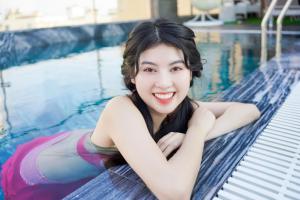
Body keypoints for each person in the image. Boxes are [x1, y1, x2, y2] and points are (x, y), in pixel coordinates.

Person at [1, 19, 261, 200]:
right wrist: (196, 128)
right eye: (149, 69)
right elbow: (175, 193)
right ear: (133, 76)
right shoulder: (120, 110)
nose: (164, 83)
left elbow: (247, 110)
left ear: (190, 71)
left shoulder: (181, 106)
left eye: (175, 68)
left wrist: (197, 132)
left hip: (71, 145)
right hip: (32, 176)